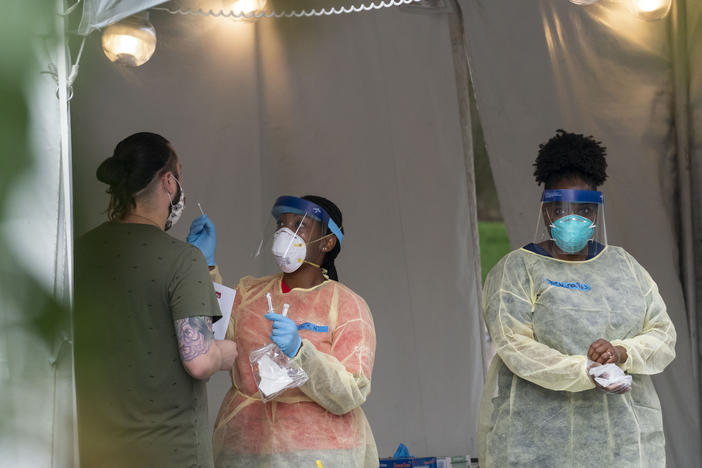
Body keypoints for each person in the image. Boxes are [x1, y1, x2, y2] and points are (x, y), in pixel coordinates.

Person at [477, 130, 676, 467]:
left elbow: (663, 335)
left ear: (597, 212)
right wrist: (586, 370)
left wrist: (621, 352)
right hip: (536, 445)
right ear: (545, 211)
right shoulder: (518, 271)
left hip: (621, 445)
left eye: (585, 208)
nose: (574, 218)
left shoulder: (625, 268)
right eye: (562, 208)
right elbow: (516, 347)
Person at [74, 132, 238, 468]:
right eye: (179, 175)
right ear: (168, 182)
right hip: (171, 453)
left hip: (96, 450)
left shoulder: (79, 251)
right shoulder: (183, 259)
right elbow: (200, 360)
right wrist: (228, 352)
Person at [201, 195, 378, 467]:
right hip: (247, 450)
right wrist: (206, 268)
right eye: (281, 224)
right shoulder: (249, 294)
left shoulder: (346, 305)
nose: (285, 232)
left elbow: (351, 392)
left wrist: (301, 353)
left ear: (328, 242)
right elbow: (210, 334)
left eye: (299, 225)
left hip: (322, 454)